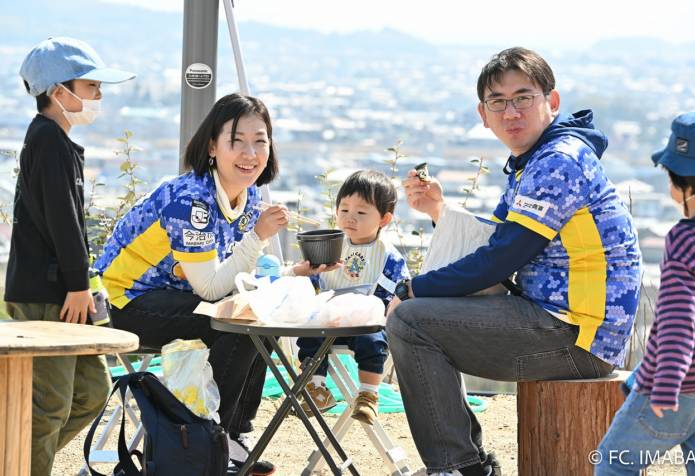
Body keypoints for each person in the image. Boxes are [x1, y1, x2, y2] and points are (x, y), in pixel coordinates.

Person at [385, 47, 642, 476]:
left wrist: (413, 289)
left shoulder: (557, 162)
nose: (512, 111)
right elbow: (498, 241)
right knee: (420, 317)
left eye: (524, 97)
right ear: (483, 114)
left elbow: (502, 257)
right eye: (498, 102)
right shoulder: (538, 159)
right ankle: (467, 463)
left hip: (577, 336)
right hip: (569, 325)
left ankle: (457, 467)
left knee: (411, 322)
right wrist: (439, 213)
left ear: (551, 102)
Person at [95, 93, 287, 475]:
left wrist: (294, 275)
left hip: (172, 298)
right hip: (123, 301)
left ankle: (232, 434)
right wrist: (258, 237)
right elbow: (212, 290)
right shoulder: (191, 201)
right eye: (237, 141)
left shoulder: (246, 198)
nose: (250, 152)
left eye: (260, 140)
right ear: (213, 147)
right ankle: (209, 436)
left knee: (260, 318)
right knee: (235, 322)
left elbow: (236, 272)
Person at [4, 37, 135, 476]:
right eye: (91, 85)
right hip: (49, 292)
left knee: (91, 392)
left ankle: (14, 459)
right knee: (50, 404)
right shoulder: (48, 141)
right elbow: (62, 220)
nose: (99, 96)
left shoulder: (55, 140)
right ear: (59, 92)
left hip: (63, 289)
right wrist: (79, 284)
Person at [596, 112, 695, 475]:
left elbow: (679, 323)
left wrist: (665, 385)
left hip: (678, 385)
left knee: (614, 466)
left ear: (682, 187)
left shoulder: (685, 239)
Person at [291, 170, 410, 425]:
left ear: (384, 219)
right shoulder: (331, 244)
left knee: (373, 341)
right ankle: (317, 388)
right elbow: (314, 281)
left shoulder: (388, 255)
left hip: (366, 321)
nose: (350, 218)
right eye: (344, 210)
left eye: (361, 212)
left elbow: (394, 295)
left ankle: (368, 395)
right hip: (329, 317)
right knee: (309, 335)